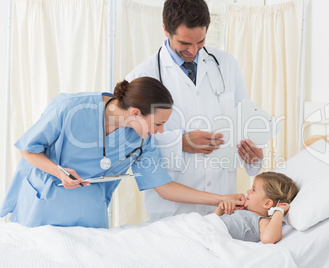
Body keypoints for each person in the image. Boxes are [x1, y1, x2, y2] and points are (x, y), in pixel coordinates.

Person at [0, 77, 245, 228]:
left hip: (89, 214)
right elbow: (27, 149)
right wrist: (59, 171)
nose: (160, 132)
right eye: (158, 124)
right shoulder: (70, 109)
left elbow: (164, 187)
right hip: (44, 206)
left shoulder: (141, 139)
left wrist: (220, 198)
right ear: (136, 113)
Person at [125, 0, 263, 220]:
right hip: (172, 209)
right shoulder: (142, 75)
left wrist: (253, 156)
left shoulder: (226, 65)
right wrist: (180, 143)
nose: (193, 50)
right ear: (165, 29)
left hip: (222, 200)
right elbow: (130, 141)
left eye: (200, 41)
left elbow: (244, 122)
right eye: (184, 43)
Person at [214, 171, 298, 244]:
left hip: (211, 235)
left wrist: (279, 211)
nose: (248, 191)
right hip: (206, 227)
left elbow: (268, 239)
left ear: (267, 203)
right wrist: (220, 210)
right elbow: (212, 221)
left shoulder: (262, 221)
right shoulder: (242, 210)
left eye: (253, 190)